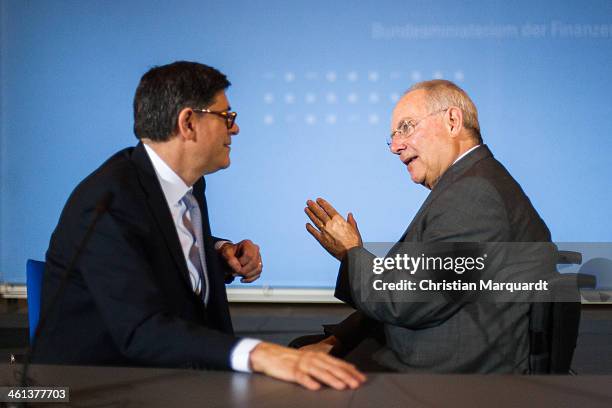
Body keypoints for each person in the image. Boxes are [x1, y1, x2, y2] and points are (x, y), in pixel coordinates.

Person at [33, 61, 365, 391]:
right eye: (226, 117)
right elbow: (140, 329)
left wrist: (218, 252)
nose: (234, 129)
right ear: (188, 123)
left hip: (181, 381)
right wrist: (260, 354)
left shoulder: (189, 185)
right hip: (97, 388)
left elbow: (158, 251)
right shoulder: (106, 203)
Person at [302, 80, 552, 373]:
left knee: (296, 370)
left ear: (452, 121)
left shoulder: (474, 195)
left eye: (406, 127)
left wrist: (351, 253)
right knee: (304, 351)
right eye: (393, 136)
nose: (395, 146)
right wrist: (337, 339)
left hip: (447, 377)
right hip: (432, 347)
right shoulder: (471, 182)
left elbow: (408, 300)